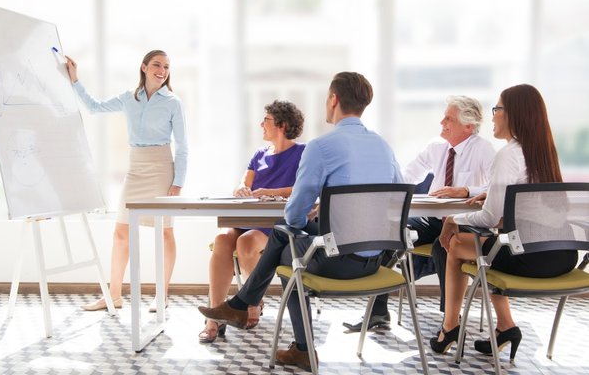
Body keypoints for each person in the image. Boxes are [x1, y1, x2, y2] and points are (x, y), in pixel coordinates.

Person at [198, 71, 403, 371]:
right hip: (376, 261)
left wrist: (310, 213)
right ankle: (246, 308)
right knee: (287, 238)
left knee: (287, 242)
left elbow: (294, 215)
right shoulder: (384, 147)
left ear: (333, 99)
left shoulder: (321, 147)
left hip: (336, 260)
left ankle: (273, 326)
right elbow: (394, 202)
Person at [431, 84, 577, 361]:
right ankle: (505, 326)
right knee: (485, 250)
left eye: (497, 109)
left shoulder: (508, 154)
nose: (493, 116)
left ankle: (449, 328)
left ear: (513, 115)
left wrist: (452, 218)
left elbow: (488, 217)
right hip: (564, 255)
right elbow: (519, 205)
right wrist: (495, 198)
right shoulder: (543, 152)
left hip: (530, 258)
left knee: (455, 244)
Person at [343, 96, 495, 332]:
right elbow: (407, 177)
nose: (442, 121)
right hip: (434, 220)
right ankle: (378, 312)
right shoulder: (436, 146)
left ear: (468, 125)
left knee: (446, 246)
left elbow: (497, 188)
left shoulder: (484, 149)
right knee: (391, 233)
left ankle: (450, 323)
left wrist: (466, 190)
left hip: (465, 223)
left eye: (449, 118)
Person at [64, 50, 188, 312]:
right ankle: (114, 295)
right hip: (136, 168)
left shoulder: (173, 102)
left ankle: (162, 295)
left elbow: (183, 146)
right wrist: (75, 80)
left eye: (166, 66)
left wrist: (178, 182)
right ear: (143, 67)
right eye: (156, 64)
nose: (162, 70)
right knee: (121, 232)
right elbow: (95, 107)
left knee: (165, 233)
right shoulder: (129, 98)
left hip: (162, 168)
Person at [199, 100, 306, 343]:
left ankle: (251, 302)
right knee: (222, 239)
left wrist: (271, 191)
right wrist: (241, 190)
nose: (261, 124)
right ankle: (214, 316)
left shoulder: (302, 152)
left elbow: (304, 187)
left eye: (266, 120)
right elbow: (243, 182)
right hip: (246, 216)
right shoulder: (259, 154)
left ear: (282, 124)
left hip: (275, 223)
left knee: (246, 243)